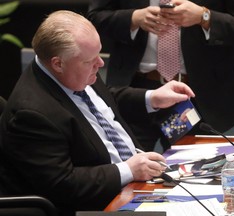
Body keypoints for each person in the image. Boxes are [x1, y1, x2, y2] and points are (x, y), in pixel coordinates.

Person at [0, 10, 195, 216]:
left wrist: (152, 97)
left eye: (98, 54)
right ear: (58, 63)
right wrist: (129, 170)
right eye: (90, 60)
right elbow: (62, 184)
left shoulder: (73, 69)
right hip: (100, 204)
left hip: (137, 185)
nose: (100, 64)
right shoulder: (31, 113)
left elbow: (102, 99)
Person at [87, 0, 234, 151]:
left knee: (193, 175)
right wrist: (133, 19)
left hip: (194, 95)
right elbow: (93, 19)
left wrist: (204, 17)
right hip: (135, 90)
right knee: (129, 170)